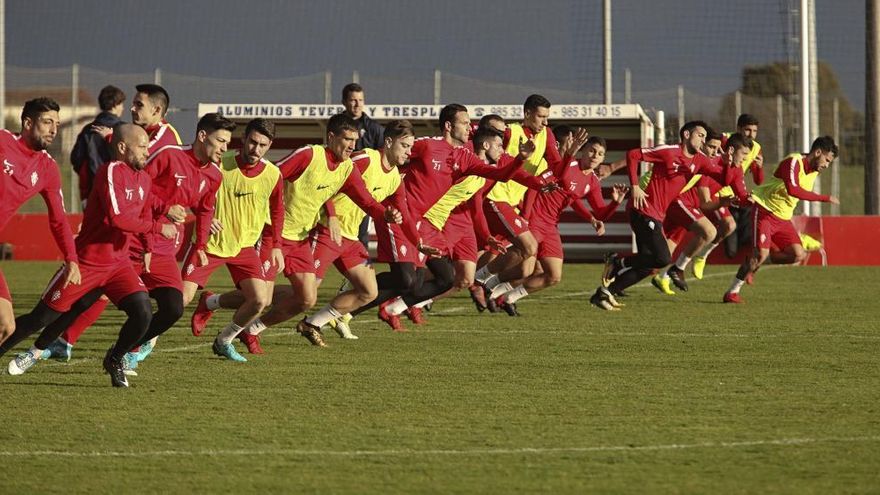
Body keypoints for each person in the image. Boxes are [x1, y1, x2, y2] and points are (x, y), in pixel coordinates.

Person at [1, 124, 177, 387]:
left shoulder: (143, 178)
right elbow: (118, 219)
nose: (147, 151)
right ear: (122, 148)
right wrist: (158, 228)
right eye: (142, 146)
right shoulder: (111, 171)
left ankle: (114, 359)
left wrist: (149, 246)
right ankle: (18, 350)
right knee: (42, 317)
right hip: (86, 263)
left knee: (143, 312)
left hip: (119, 265)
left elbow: (142, 215)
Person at [355, 103, 554, 331]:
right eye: (498, 135)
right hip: (425, 218)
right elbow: (401, 153)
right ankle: (369, 300)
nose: (503, 140)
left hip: (457, 219)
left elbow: (506, 176)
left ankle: (392, 304)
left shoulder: (479, 160)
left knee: (454, 278)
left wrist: (535, 177)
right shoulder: (443, 148)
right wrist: (389, 177)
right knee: (413, 278)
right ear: (484, 138)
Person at [225, 113, 407, 348]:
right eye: (346, 139)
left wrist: (385, 214)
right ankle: (215, 309)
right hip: (274, 234)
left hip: (301, 238)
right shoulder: (309, 155)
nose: (352, 145)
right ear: (331, 137)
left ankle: (253, 329)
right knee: (261, 297)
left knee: (306, 299)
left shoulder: (347, 169)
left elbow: (366, 200)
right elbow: (272, 176)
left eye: (354, 140)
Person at [46, 83, 183, 361]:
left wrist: (114, 140)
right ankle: (61, 340)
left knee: (172, 303)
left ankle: (131, 348)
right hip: (138, 229)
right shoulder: (144, 137)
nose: (132, 108)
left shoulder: (163, 140)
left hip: (153, 233)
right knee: (102, 289)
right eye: (132, 103)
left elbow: (138, 165)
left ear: (157, 110)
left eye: (138, 104)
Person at [590, 121, 734, 311]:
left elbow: (724, 179)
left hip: (656, 215)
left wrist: (728, 164)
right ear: (686, 134)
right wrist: (634, 187)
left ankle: (604, 293)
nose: (703, 140)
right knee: (663, 258)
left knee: (649, 265)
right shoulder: (668, 151)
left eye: (705, 137)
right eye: (700, 135)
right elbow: (633, 154)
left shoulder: (700, 160)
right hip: (642, 210)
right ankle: (618, 264)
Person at [301, 120, 421, 339]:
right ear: (388, 141)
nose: (409, 152)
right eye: (405, 146)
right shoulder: (366, 158)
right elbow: (331, 178)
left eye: (411, 147)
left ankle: (312, 324)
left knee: (369, 291)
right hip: (327, 228)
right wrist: (333, 215)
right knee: (304, 295)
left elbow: (404, 214)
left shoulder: (395, 178)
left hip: (350, 237)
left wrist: (419, 243)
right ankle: (251, 319)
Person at [182, 118, 284, 361]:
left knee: (260, 300)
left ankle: (224, 340)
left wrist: (277, 246)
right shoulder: (220, 164)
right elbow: (192, 191)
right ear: (244, 139)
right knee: (180, 299)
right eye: (252, 142)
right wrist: (201, 215)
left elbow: (278, 210)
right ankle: (139, 349)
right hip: (211, 244)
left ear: (269, 145)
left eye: (263, 145)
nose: (256, 150)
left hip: (244, 246)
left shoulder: (273, 174)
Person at [489, 135, 626, 312]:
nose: (594, 156)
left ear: (603, 159)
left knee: (554, 276)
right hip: (535, 219)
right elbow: (535, 185)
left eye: (600, 154)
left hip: (551, 225)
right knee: (525, 269)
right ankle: (488, 286)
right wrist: (526, 215)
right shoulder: (568, 165)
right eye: (591, 150)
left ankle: (508, 298)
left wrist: (615, 203)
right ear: (583, 151)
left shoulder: (592, 181)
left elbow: (600, 212)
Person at [0, 97, 81, 348]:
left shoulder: (47, 168)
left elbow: (58, 220)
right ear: (27, 122)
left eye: (56, 124)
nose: (54, 130)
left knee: (7, 326)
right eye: (47, 122)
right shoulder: (2, 141)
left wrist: (72, 258)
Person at [723, 136, 839, 303]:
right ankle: (732, 292)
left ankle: (759, 262)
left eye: (830, 162)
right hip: (764, 210)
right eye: (826, 160)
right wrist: (824, 198)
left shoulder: (814, 171)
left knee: (798, 255)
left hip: (783, 218)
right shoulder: (793, 161)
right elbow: (793, 190)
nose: (827, 165)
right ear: (818, 152)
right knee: (760, 254)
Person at [650, 130, 751, 295]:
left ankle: (620, 268)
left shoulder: (737, 170)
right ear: (731, 150)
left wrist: (753, 201)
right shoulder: (712, 164)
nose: (746, 158)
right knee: (710, 231)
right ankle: (679, 268)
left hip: (690, 208)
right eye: (744, 153)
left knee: (660, 257)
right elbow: (705, 204)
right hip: (681, 202)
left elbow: (742, 196)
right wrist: (722, 202)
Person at [342, 83, 386, 252]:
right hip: (340, 186)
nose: (357, 104)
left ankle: (359, 275)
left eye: (360, 100)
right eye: (353, 100)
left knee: (360, 235)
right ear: (344, 102)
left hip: (363, 190)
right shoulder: (337, 125)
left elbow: (383, 157)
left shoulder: (374, 128)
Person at [719, 113, 765, 260]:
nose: (751, 134)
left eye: (755, 131)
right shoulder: (724, 139)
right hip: (719, 194)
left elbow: (758, 180)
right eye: (747, 130)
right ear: (738, 128)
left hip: (737, 193)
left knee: (751, 208)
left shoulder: (756, 148)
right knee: (731, 250)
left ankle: (752, 253)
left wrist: (760, 167)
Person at [71, 85, 126, 208]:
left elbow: (76, 159)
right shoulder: (124, 130)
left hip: (92, 190)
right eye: (122, 104)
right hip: (119, 190)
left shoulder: (88, 130)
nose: (123, 108)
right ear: (116, 104)